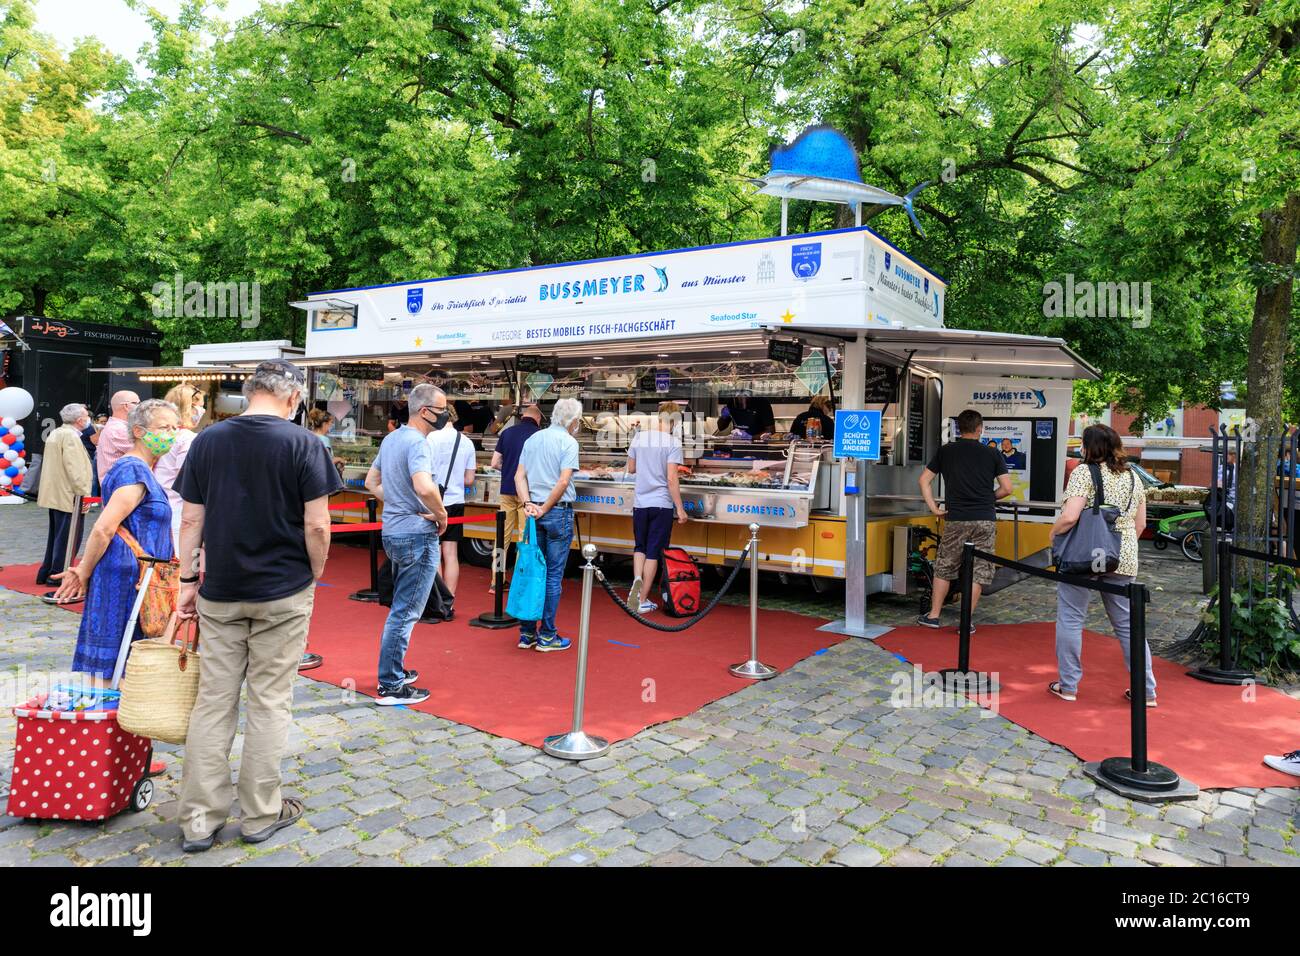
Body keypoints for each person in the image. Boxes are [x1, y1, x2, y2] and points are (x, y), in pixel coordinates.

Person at [172, 360, 341, 853]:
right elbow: (318, 525)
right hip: (283, 590)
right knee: (269, 701)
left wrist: (186, 579)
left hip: (221, 589)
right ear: (293, 399)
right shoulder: (305, 443)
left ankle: (199, 819)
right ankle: (260, 813)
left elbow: (191, 519)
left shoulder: (208, 440)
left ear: (248, 394)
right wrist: (316, 571)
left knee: (214, 702)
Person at [53, 400, 180, 685]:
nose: (171, 434)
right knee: (117, 662)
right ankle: (111, 719)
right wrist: (83, 571)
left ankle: (120, 717)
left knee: (125, 661)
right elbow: (104, 528)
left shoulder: (143, 469)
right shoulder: (132, 470)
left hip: (138, 576)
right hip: (125, 577)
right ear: (139, 431)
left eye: (174, 427)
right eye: (163, 427)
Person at [1047, 423, 1154, 705]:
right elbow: (1140, 523)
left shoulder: (1084, 472)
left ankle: (1068, 686)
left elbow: (1070, 517)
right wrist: (1120, 545)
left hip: (1084, 555)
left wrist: (1053, 532)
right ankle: (1146, 691)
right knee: (1129, 626)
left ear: (1088, 446)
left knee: (1071, 618)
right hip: (1122, 556)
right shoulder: (1133, 476)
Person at [365, 383, 449, 705]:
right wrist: (439, 514)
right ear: (425, 411)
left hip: (394, 530)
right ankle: (391, 683)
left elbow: (373, 482)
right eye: (441, 410)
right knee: (406, 612)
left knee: (402, 607)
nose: (444, 415)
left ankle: (393, 670)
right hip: (417, 533)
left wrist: (398, 503)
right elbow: (424, 485)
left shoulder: (391, 439)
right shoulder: (417, 443)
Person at [917, 409, 1012, 628]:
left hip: (956, 517)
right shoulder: (993, 453)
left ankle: (933, 616)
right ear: (980, 429)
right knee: (979, 570)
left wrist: (934, 508)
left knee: (945, 566)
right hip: (984, 518)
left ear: (959, 429)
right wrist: (988, 497)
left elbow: (924, 481)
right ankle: (965, 622)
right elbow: (1007, 488)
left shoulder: (946, 451)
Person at [514, 397, 583, 652]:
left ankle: (527, 633)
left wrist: (528, 504)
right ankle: (548, 635)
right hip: (557, 512)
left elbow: (518, 475)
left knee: (533, 571)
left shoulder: (533, 439)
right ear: (573, 420)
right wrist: (545, 507)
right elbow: (564, 482)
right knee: (553, 575)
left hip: (533, 512)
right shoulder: (569, 442)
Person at [626, 402, 689, 612]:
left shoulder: (640, 437)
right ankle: (642, 599)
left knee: (639, 547)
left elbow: (632, 468)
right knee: (654, 551)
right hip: (661, 503)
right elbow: (672, 479)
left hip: (640, 502)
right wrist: (680, 508)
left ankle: (636, 583)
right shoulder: (672, 443)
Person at [36, 403, 93, 590]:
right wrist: (83, 495)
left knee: (57, 536)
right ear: (79, 420)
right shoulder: (70, 437)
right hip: (69, 496)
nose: (88, 418)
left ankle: (48, 571)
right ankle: (58, 574)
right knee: (69, 538)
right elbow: (75, 470)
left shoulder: (58, 433)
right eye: (86, 416)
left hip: (58, 494)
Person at [489, 402, 542, 591]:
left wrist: (508, 470)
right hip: (527, 493)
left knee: (502, 536)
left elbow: (495, 463)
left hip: (506, 491)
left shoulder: (507, 433)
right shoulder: (539, 435)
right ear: (538, 419)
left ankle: (496, 580)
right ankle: (520, 580)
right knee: (523, 537)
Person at [427, 405, 476, 596]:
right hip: (456, 500)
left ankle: (438, 600)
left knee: (435, 553)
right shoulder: (466, 442)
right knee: (451, 553)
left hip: (433, 501)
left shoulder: (430, 439)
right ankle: (450, 601)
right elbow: (469, 480)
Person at [154, 383, 206, 555]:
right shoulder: (187, 438)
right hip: (178, 510)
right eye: (200, 406)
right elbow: (185, 479)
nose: (202, 410)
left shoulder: (160, 434)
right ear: (190, 408)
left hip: (157, 503)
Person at [94, 390, 140, 483]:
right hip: (121, 487)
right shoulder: (119, 429)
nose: (140, 407)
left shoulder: (116, 427)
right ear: (126, 406)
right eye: (137, 403)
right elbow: (146, 452)